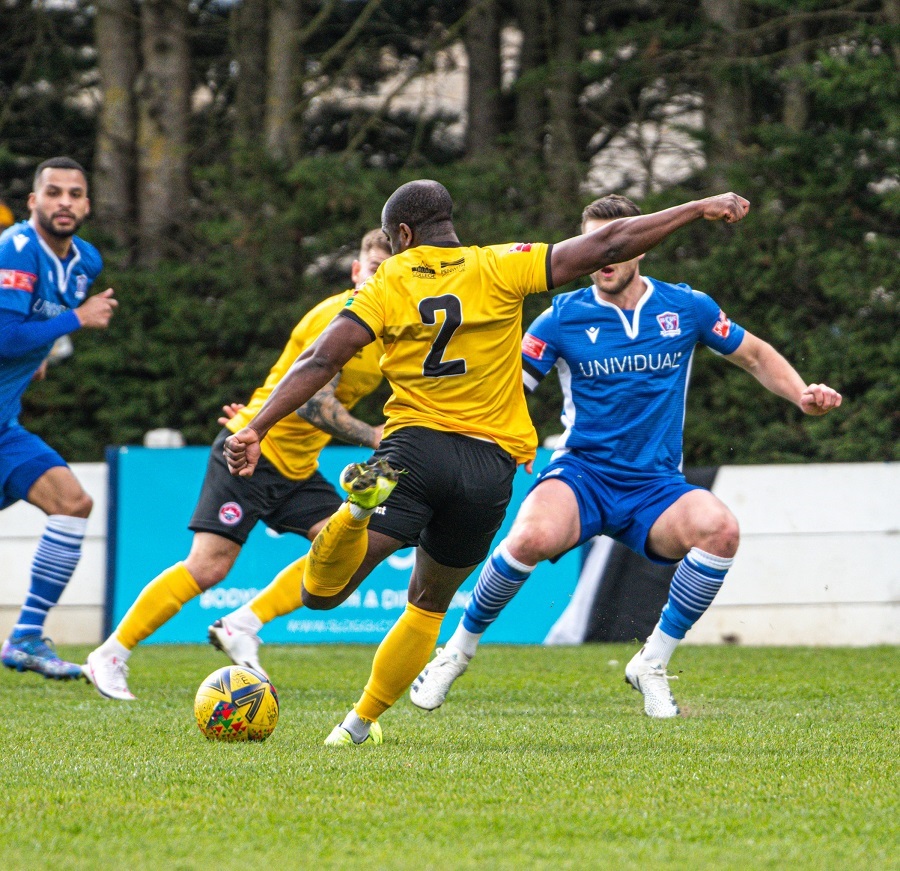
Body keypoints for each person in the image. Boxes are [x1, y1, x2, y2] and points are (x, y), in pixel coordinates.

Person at [223, 179, 750, 746]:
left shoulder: (389, 281)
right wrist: (697, 208)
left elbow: (321, 357)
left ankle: (354, 513)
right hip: (488, 468)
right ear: (450, 223)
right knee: (428, 605)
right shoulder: (503, 264)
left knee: (324, 591)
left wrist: (257, 425)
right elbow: (609, 243)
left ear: (402, 234)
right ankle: (357, 725)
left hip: (413, 451)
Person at [408, 194, 842, 719]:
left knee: (720, 530)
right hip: (581, 474)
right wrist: (505, 438)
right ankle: (457, 652)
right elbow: (510, 387)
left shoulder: (687, 308)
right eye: (590, 245)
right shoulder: (560, 318)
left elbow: (753, 354)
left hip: (656, 485)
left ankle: (652, 662)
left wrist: (801, 394)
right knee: (529, 537)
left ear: (639, 247)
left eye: (611, 245)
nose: (602, 257)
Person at [82, 229, 391, 699]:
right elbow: (312, 404)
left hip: (297, 467)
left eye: (390, 270)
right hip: (249, 451)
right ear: (355, 272)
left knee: (344, 549)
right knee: (208, 567)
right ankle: (110, 653)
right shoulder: (337, 317)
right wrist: (375, 437)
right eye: (373, 267)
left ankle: (243, 622)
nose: (380, 277)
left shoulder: (392, 333)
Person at [0, 157, 118, 679]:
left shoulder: (85, 262)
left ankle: (25, 637)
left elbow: (26, 326)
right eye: (53, 193)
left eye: (74, 193)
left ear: (87, 205)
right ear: (33, 202)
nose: (64, 202)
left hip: (4, 428)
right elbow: (4, 337)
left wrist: (39, 354)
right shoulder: (16, 249)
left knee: (73, 503)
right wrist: (77, 319)